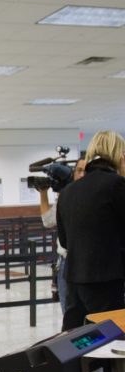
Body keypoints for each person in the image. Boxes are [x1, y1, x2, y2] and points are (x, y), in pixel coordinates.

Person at [58, 131, 125, 330]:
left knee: (76, 340)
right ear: (119, 155)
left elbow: (64, 241)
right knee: (109, 340)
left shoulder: (69, 191)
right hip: (107, 280)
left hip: (74, 280)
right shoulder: (116, 185)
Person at [38, 156, 86, 314]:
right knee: (69, 314)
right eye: (79, 170)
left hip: (90, 261)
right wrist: (43, 193)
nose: (82, 175)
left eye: (86, 171)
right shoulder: (67, 196)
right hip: (67, 261)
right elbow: (48, 221)